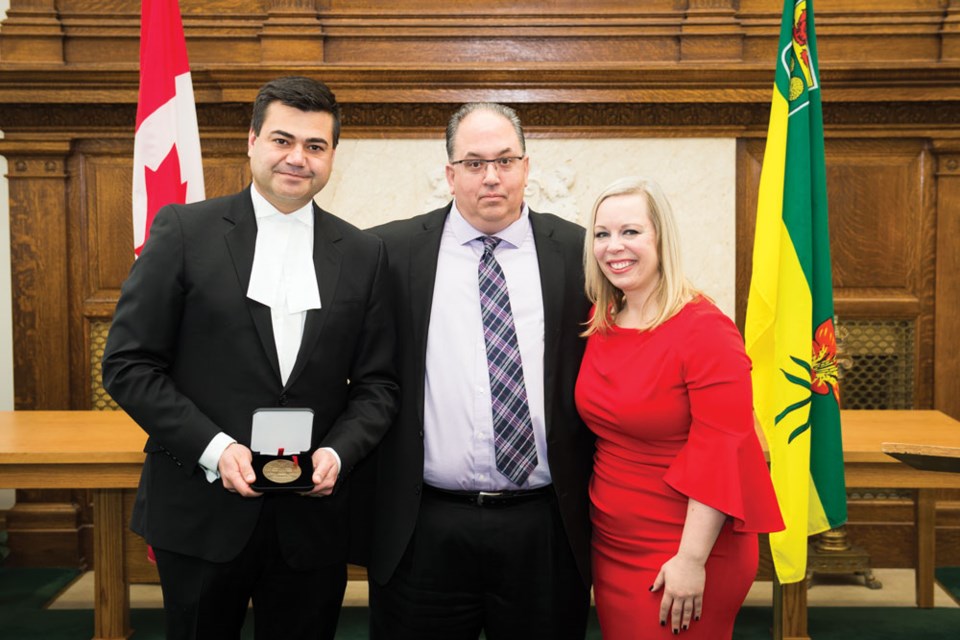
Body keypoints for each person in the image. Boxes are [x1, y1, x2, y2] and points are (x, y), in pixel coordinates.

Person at [101, 76, 399, 640]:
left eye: (315, 146)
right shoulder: (185, 231)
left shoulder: (364, 252)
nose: (297, 158)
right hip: (201, 506)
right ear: (252, 141)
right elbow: (129, 364)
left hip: (313, 518)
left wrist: (341, 449)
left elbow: (378, 383)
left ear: (333, 155)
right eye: (282, 140)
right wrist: (217, 449)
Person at [363, 103, 594, 639]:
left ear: (526, 167)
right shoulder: (388, 252)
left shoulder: (581, 252)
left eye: (505, 160)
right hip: (425, 526)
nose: (491, 176)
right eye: (473, 163)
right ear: (449, 174)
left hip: (545, 523)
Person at [574, 176, 784, 639]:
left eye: (631, 232)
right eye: (602, 234)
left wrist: (691, 559)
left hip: (688, 544)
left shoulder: (706, 330)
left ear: (662, 239)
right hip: (612, 540)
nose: (614, 247)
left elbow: (722, 448)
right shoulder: (601, 321)